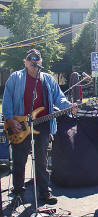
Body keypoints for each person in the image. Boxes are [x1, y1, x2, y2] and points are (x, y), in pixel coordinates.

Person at [3, 49, 78, 205]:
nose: (33, 61)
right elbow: (7, 99)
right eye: (30, 59)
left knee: (42, 160)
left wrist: (69, 106)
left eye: (37, 58)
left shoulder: (47, 79)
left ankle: (44, 193)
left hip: (42, 124)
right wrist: (9, 119)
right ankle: (18, 193)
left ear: (41, 62)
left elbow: (59, 98)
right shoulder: (15, 78)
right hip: (20, 125)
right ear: (25, 62)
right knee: (19, 160)